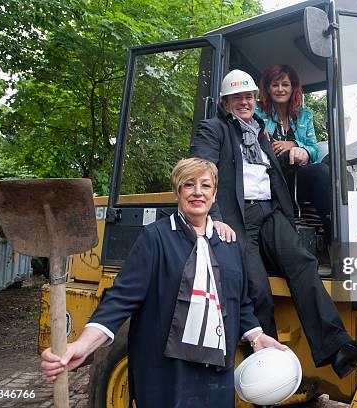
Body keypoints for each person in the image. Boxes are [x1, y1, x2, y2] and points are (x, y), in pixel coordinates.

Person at [40, 158, 283, 407]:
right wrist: (83, 345)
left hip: (216, 377)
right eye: (189, 185)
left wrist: (256, 336)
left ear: (214, 193)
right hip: (165, 375)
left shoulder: (230, 245)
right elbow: (120, 300)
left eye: (205, 185)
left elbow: (239, 302)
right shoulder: (155, 238)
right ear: (178, 192)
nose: (197, 191)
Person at [190, 69, 357, 378]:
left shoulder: (261, 131)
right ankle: (268, 369)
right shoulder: (214, 129)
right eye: (238, 98)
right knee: (258, 288)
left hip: (270, 212)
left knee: (303, 263)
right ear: (226, 103)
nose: (245, 102)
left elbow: (275, 174)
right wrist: (216, 219)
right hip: (237, 217)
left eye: (248, 96)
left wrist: (284, 213)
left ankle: (337, 348)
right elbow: (200, 171)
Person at [255, 64, 331, 241]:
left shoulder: (305, 115)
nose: (280, 89)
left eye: (285, 84)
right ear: (267, 88)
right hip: (268, 177)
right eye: (275, 85)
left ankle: (332, 239)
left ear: (293, 87)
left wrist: (296, 145)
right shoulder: (256, 112)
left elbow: (313, 148)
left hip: (296, 176)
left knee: (322, 171)